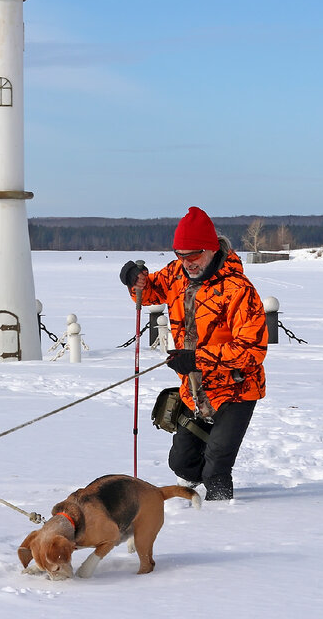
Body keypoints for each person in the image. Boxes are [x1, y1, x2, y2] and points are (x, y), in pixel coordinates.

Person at [120, 206, 267, 501]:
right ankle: (192, 500)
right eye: (180, 255)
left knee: (216, 466)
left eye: (194, 255)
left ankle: (220, 517)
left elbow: (252, 350)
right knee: (182, 463)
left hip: (236, 390)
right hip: (194, 388)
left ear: (211, 249)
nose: (187, 263)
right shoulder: (177, 274)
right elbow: (148, 292)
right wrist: (134, 279)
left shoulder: (238, 289)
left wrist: (198, 359)